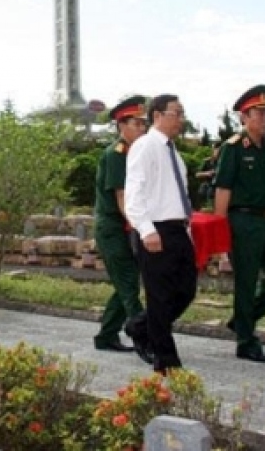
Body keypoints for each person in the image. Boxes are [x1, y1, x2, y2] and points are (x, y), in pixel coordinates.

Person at [213, 84, 265, 364]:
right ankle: (246, 341)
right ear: (244, 118)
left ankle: (242, 320)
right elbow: (222, 191)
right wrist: (220, 234)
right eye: (258, 113)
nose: (264, 118)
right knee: (246, 283)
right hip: (242, 221)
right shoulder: (234, 148)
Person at [124, 94, 196, 375]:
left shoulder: (174, 154)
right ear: (157, 115)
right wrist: (146, 229)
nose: (181, 119)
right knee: (160, 296)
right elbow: (134, 193)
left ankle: (139, 326)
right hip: (155, 229)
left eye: (182, 113)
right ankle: (166, 361)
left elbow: (180, 196)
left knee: (186, 291)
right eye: (176, 113)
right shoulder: (145, 146)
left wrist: (187, 230)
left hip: (178, 230)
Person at [92, 96, 148, 353]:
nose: (142, 128)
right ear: (121, 125)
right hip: (113, 228)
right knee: (128, 282)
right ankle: (145, 335)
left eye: (143, 124)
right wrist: (141, 226)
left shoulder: (138, 153)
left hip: (128, 226)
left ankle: (106, 335)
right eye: (136, 123)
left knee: (125, 283)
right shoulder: (116, 155)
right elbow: (122, 197)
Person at [196, 143, 221, 209]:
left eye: (219, 150)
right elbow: (197, 174)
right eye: (216, 150)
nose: (217, 152)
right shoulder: (207, 161)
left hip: (219, 189)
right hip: (207, 187)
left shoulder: (223, 162)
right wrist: (207, 173)